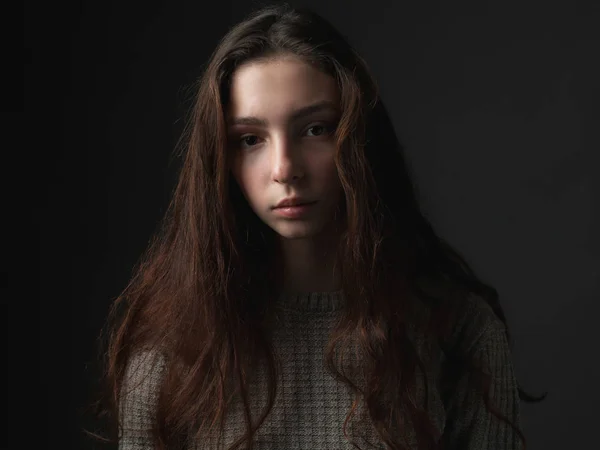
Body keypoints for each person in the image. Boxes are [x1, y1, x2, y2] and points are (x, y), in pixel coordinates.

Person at [93, 3, 545, 449]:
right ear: (220, 160)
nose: (284, 168)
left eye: (315, 130)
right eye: (250, 139)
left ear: (358, 135)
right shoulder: (172, 347)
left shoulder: (457, 327)